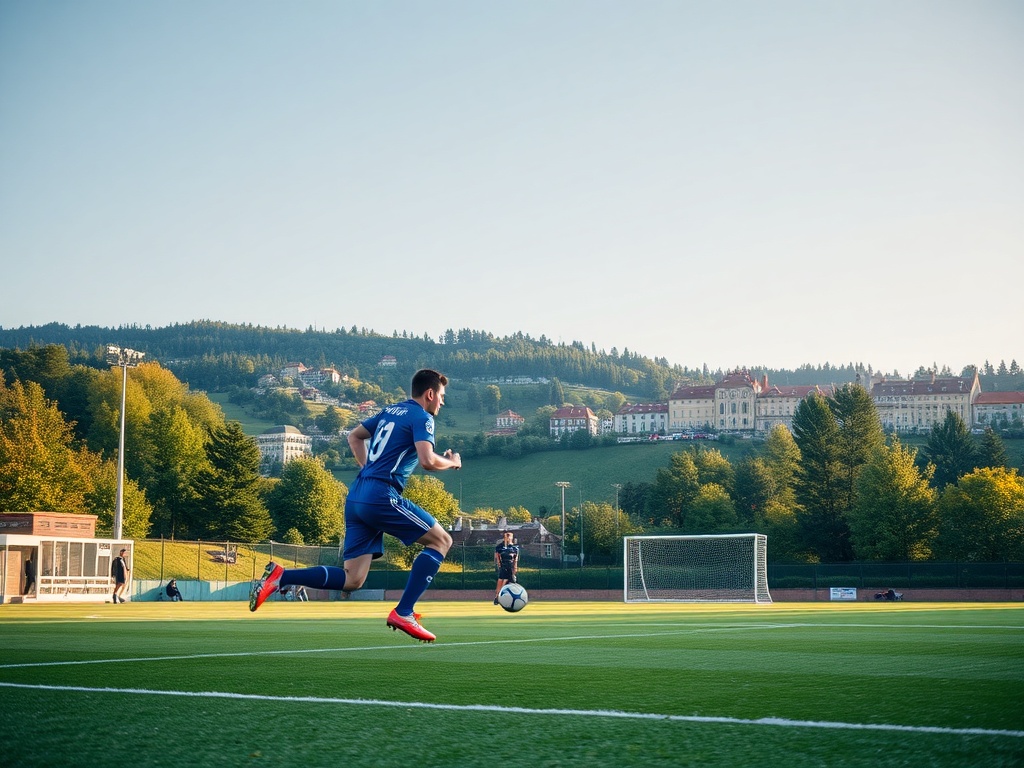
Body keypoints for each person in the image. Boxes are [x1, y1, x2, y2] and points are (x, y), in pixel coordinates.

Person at [250, 369, 461, 642]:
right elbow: (428, 461)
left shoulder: (389, 411)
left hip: (358, 494)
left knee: (353, 579)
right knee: (442, 541)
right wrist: (453, 462)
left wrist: (369, 470)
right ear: (430, 394)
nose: (441, 403)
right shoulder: (422, 417)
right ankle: (404, 611)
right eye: (441, 396)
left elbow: (354, 436)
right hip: (380, 496)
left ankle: (282, 576)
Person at [493, 530, 519, 605]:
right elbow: (497, 558)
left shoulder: (515, 548)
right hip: (503, 566)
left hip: (510, 567)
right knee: (500, 581)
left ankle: (504, 597)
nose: (507, 538)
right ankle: (497, 596)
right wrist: (499, 565)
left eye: (509, 537)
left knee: (508, 581)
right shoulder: (499, 547)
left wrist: (515, 568)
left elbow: (515, 559)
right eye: (506, 537)